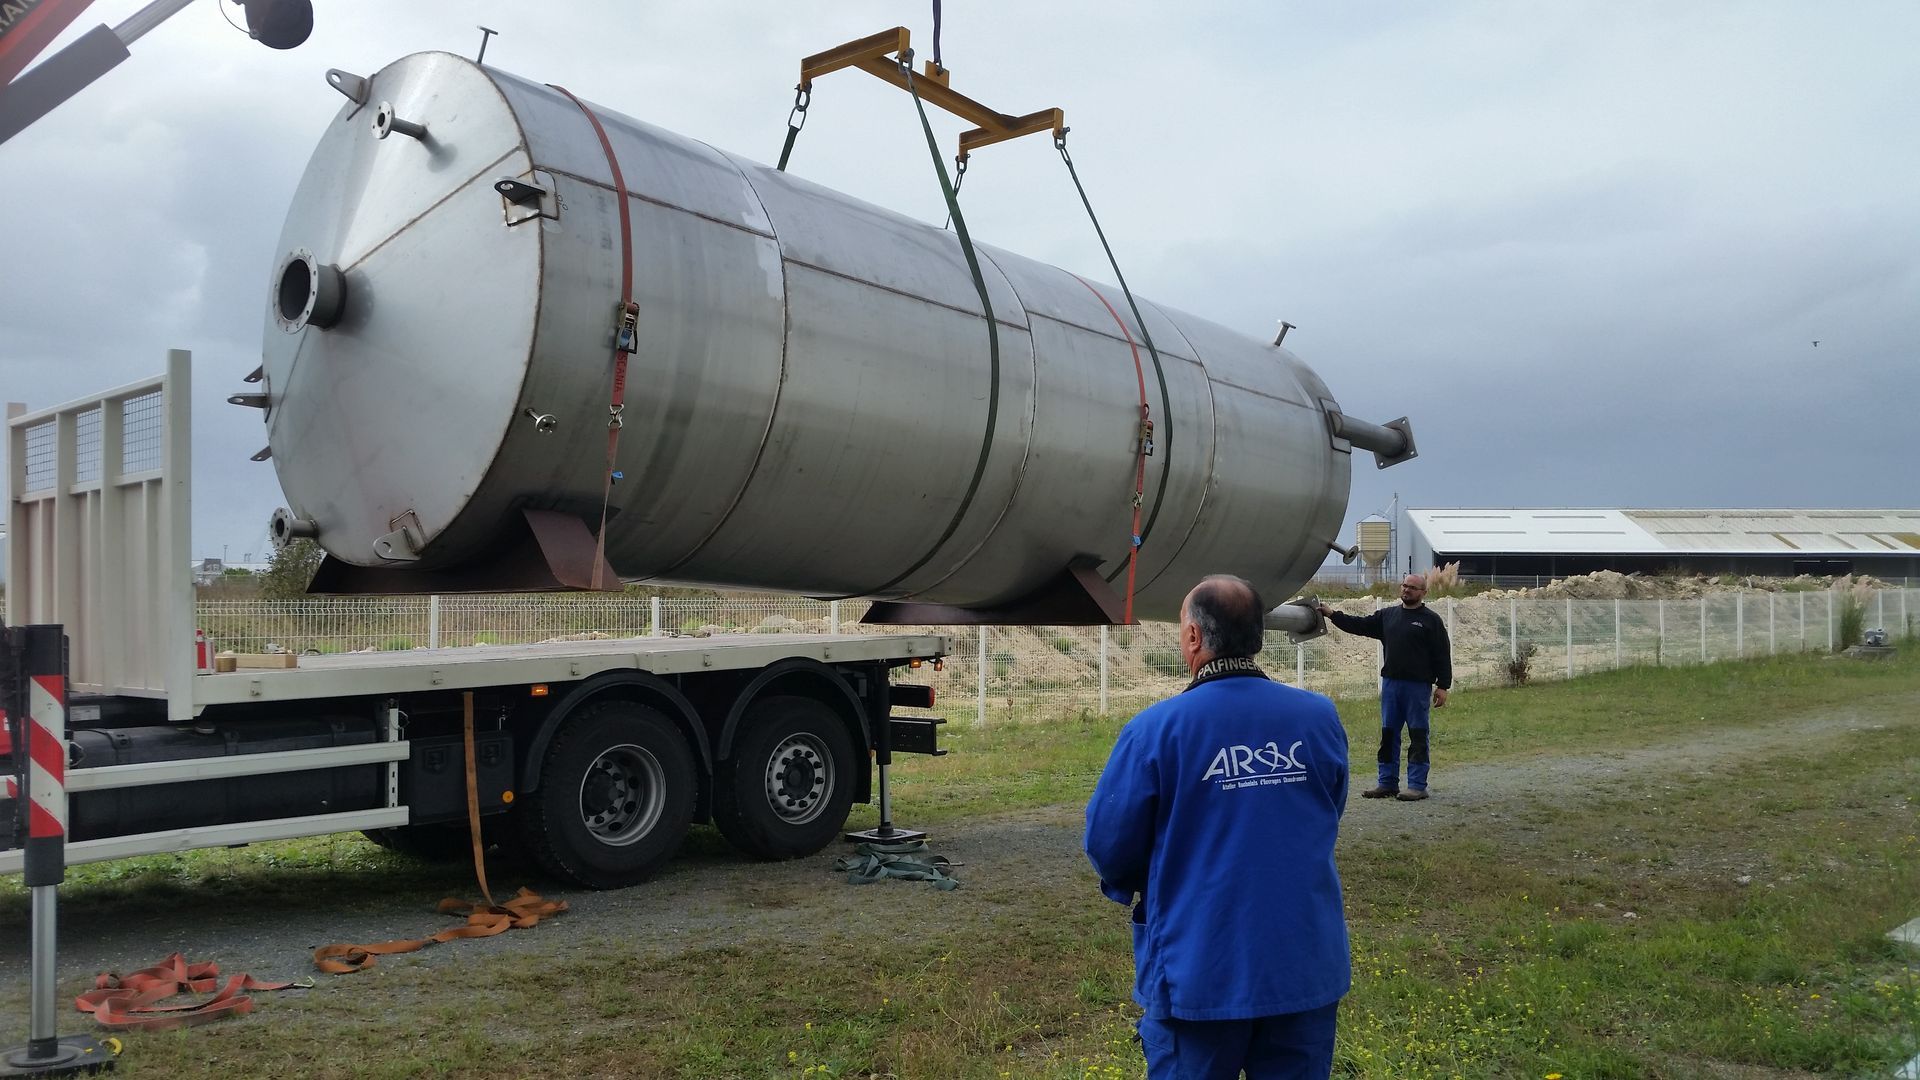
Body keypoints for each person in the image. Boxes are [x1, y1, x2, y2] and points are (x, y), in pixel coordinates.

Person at [1085, 575, 1350, 1079]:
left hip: (1199, 971)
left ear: (1192, 637)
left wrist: (1143, 882)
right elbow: (1327, 809)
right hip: (1303, 965)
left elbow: (1110, 844)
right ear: (1259, 636)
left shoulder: (1156, 731)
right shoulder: (1318, 718)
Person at [1317, 573, 1452, 801]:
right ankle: (1387, 782)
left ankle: (1417, 785)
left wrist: (1443, 686)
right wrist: (1332, 615)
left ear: (1423, 593)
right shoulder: (1388, 616)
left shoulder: (1431, 620)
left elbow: (1442, 654)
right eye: (1404, 585)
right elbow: (1359, 625)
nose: (1407, 590)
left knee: (1418, 734)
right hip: (1391, 685)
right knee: (1388, 735)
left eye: (1412, 587)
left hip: (1418, 687)